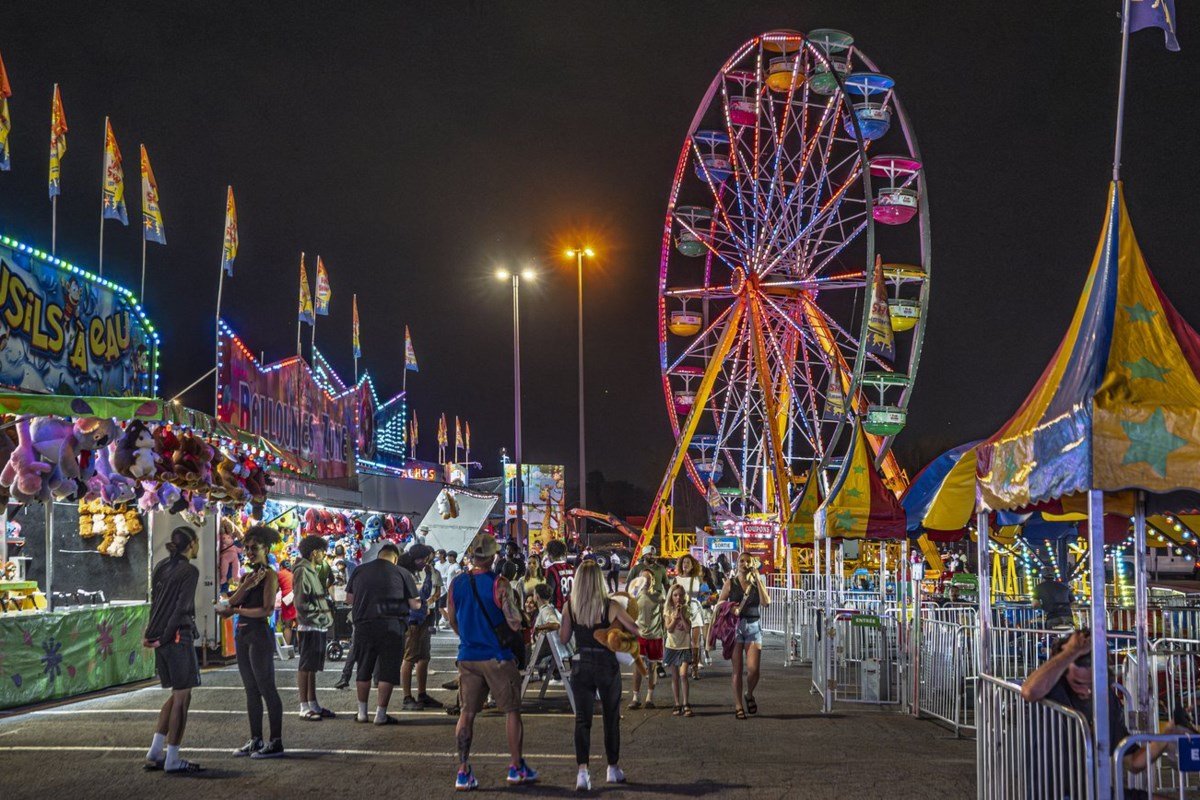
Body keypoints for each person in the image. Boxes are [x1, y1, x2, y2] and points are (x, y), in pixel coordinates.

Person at [1021, 630, 1187, 796]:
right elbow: (1030, 691)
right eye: (1078, 683)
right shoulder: (1054, 691)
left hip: (1093, 792)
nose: (1086, 690)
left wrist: (1167, 735)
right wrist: (1071, 652)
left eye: (1091, 683)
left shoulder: (1105, 700)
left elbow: (1134, 762)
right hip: (1054, 793)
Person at [448, 532, 538, 790]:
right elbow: (513, 621)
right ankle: (516, 767)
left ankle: (463, 771)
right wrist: (524, 617)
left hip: (468, 656)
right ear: (492, 557)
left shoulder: (457, 584)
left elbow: (452, 618)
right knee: (511, 711)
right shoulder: (500, 584)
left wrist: (467, 636)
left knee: (466, 713)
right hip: (497, 656)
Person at [560, 560, 639, 790]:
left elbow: (564, 638)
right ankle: (612, 768)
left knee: (582, 719)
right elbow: (634, 628)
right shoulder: (610, 605)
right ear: (599, 580)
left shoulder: (570, 606)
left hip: (581, 663)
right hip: (605, 664)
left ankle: (582, 772)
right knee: (610, 717)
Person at [219, 525, 285, 758]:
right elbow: (231, 602)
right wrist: (245, 586)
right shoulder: (248, 576)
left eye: (254, 548)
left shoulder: (270, 574)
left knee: (267, 688)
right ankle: (255, 739)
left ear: (265, 548)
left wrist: (238, 610)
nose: (249, 552)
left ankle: (275, 741)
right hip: (243, 635)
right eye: (246, 548)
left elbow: (267, 610)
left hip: (259, 636)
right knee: (250, 690)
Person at [142, 526, 202, 774]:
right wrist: (165, 637)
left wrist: (152, 634)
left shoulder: (161, 567)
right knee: (182, 699)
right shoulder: (189, 571)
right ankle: (173, 758)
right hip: (177, 637)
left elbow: (157, 602)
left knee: (176, 695)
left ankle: (155, 751)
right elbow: (181, 608)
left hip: (160, 636)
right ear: (192, 544)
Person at [346, 542, 420, 725]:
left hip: (364, 625)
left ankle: (362, 713)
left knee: (363, 668)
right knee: (387, 670)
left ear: (379, 554)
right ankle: (381, 714)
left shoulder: (359, 570)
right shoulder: (403, 573)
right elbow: (415, 604)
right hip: (392, 626)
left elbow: (349, 599)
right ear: (395, 558)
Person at [718, 552, 769, 720]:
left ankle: (749, 693)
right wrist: (730, 608)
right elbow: (720, 603)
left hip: (754, 627)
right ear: (737, 563)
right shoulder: (730, 583)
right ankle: (738, 705)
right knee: (737, 670)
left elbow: (766, 602)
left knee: (754, 670)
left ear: (753, 564)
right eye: (742, 560)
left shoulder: (756, 583)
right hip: (735, 628)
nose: (744, 563)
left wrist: (758, 579)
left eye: (748, 561)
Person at [293, 534, 335, 721]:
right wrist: (319, 617)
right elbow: (301, 602)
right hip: (309, 625)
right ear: (314, 552)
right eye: (322, 552)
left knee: (312, 667)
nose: (324, 556)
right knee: (305, 666)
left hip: (316, 625)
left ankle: (313, 703)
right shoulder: (302, 571)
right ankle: (304, 706)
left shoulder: (311, 569)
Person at [399, 544, 444, 710]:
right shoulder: (405, 572)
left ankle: (422, 694)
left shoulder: (431, 571)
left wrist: (427, 604)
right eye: (422, 559)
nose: (424, 562)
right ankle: (407, 697)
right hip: (412, 620)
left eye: (426, 558)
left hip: (426, 618)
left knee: (424, 656)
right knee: (409, 657)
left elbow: (437, 592)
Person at [627, 569, 664, 710]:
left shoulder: (659, 597)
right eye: (643, 579)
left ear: (653, 581)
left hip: (655, 636)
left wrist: (665, 634)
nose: (646, 582)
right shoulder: (634, 597)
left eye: (649, 580)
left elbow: (663, 617)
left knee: (652, 667)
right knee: (638, 666)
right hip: (639, 635)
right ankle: (635, 697)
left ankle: (649, 697)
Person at [674, 554, 708, 680]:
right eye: (683, 562)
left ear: (693, 565)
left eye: (688, 562)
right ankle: (681, 666)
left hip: (695, 610)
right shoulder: (676, 579)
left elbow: (705, 594)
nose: (686, 565)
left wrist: (708, 598)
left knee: (695, 641)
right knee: (681, 641)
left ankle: (694, 668)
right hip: (681, 612)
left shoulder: (697, 579)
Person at [663, 582, 693, 717]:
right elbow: (668, 628)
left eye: (680, 595)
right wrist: (675, 618)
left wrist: (681, 616)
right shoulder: (668, 610)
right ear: (671, 597)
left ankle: (686, 703)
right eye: (675, 595)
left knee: (683, 675)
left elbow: (688, 629)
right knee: (675, 676)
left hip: (684, 646)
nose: (678, 598)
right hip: (672, 646)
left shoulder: (687, 609)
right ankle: (677, 703)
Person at [545, 539, 575, 612]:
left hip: (558, 609)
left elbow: (550, 591)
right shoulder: (572, 568)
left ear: (550, 554)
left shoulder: (552, 569)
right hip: (573, 607)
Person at [276, 559, 296, 647]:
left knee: (288, 626)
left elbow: (275, 588)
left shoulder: (279, 574)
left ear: (281, 567)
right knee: (299, 625)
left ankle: (287, 648)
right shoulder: (293, 574)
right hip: (297, 596)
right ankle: (301, 649)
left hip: (287, 599)